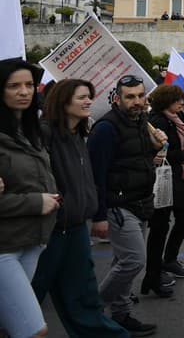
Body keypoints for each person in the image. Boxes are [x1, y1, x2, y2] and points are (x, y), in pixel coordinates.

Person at [31, 79, 128, 337]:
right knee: (30, 298)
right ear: (63, 101)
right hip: (49, 231)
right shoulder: (44, 134)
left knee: (82, 296)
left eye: (89, 96)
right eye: (82, 97)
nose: (88, 102)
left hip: (74, 229)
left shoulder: (78, 134)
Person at [88, 74, 166, 336]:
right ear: (117, 98)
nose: (137, 101)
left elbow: (137, 159)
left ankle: (120, 315)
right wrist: (99, 215)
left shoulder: (141, 122)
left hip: (140, 201)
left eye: (141, 96)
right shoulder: (106, 128)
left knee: (122, 261)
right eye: (130, 96)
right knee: (133, 260)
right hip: (118, 204)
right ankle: (92, 309)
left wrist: (154, 149)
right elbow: (96, 174)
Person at [0, 59, 60, 338]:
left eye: (29, 85)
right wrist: (38, 203)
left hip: (32, 242)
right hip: (4, 248)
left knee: (9, 327)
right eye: (14, 86)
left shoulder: (30, 132)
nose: (24, 91)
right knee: (33, 330)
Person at [145, 85, 184, 294]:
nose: (181, 103)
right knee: (160, 225)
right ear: (167, 100)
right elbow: (161, 154)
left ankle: (170, 259)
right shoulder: (156, 121)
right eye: (177, 100)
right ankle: (154, 271)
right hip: (165, 178)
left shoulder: (178, 118)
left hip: (180, 177)